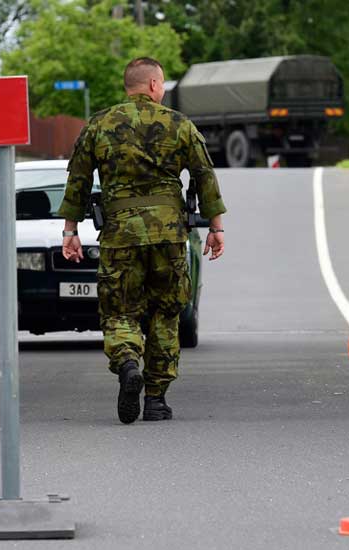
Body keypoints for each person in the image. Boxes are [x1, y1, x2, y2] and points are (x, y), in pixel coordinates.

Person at [57, 57, 226, 424]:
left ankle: (129, 361)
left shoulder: (100, 124)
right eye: (162, 84)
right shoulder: (179, 124)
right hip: (168, 235)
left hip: (120, 233)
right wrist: (215, 227)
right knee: (166, 313)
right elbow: (204, 175)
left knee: (120, 310)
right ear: (152, 85)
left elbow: (78, 181)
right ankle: (155, 400)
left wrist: (70, 231)